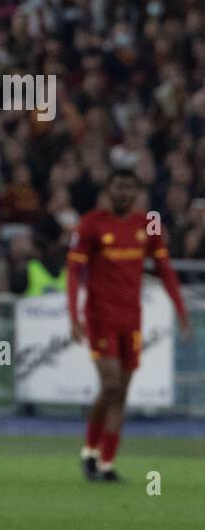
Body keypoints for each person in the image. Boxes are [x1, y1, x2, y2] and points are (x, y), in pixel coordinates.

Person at [67, 169, 190, 482]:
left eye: (129, 188)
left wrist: (181, 312)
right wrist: (74, 316)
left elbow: (165, 270)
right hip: (100, 318)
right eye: (118, 187)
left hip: (131, 320)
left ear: (137, 193)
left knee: (121, 392)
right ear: (108, 190)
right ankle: (89, 451)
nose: (123, 193)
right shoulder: (92, 223)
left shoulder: (148, 223)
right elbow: (73, 273)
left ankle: (106, 463)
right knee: (109, 386)